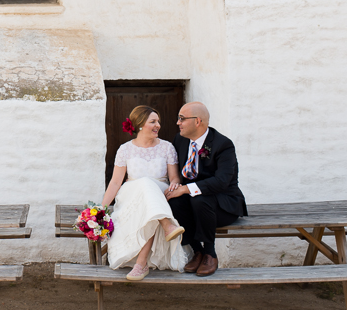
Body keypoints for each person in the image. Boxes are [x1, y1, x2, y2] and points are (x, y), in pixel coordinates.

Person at [101, 105, 191, 281]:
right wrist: (102, 208)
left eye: (158, 122)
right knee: (144, 184)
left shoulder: (167, 147)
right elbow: (115, 182)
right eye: (153, 122)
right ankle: (167, 225)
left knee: (150, 195)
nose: (158, 125)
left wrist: (174, 184)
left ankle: (141, 264)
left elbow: (174, 178)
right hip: (132, 194)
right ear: (140, 124)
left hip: (160, 193)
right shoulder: (125, 149)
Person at [164, 101, 247, 277]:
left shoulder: (223, 145)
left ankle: (210, 253)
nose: (177, 122)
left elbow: (222, 182)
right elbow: (176, 170)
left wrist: (186, 189)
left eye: (182, 118)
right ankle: (197, 251)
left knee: (199, 198)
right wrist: (176, 186)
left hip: (223, 205)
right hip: (195, 204)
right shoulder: (180, 140)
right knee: (175, 200)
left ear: (197, 121)